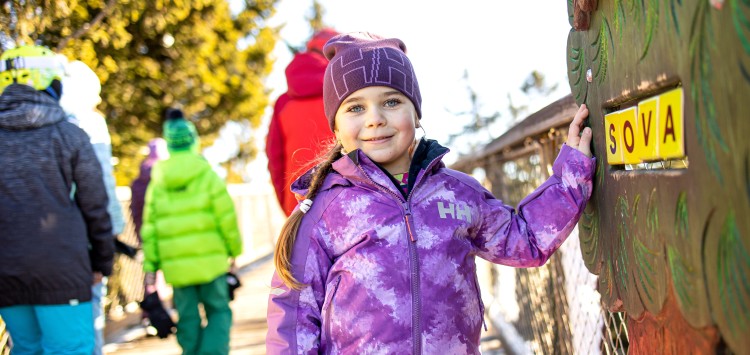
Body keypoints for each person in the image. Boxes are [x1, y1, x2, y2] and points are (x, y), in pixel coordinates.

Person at [265, 32, 595, 354]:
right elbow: (293, 317)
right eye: (355, 108)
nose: (375, 119)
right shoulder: (325, 210)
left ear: (416, 113)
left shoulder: (458, 194)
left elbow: (524, 240)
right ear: (335, 127)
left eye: (391, 102)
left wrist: (571, 175)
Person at [0, 45, 114, 354]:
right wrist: (103, 260)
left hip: (7, 273)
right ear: (49, 82)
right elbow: (95, 204)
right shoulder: (69, 135)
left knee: (25, 348)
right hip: (63, 271)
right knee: (70, 348)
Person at [141, 109, 243, 354]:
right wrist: (234, 251)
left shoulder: (158, 180)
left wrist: (151, 267)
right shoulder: (207, 174)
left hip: (176, 265)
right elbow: (226, 216)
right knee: (218, 311)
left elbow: (151, 226)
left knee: (187, 318)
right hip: (212, 261)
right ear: (193, 140)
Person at [59, 58, 127, 355]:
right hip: (84, 240)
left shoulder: (48, 120)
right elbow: (100, 183)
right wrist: (111, 233)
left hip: (45, 243)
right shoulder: (91, 123)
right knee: (90, 321)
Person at [266, 28, 340, 216]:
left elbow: (275, 161)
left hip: (299, 207)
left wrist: (289, 207)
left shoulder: (283, 103)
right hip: (348, 201)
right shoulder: (346, 94)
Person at [130, 137, 169, 242]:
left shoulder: (137, 183)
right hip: (170, 235)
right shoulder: (170, 178)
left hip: (147, 235)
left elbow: (135, 211)